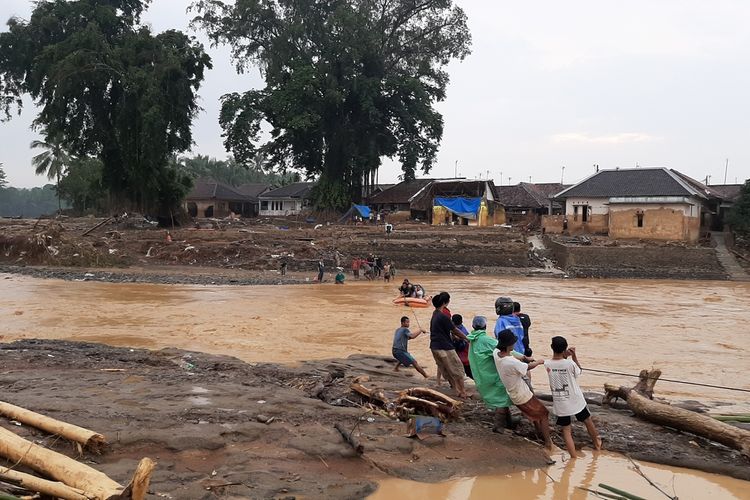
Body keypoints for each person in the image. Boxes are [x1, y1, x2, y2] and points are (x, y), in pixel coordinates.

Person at [494, 330, 552, 449]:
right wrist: (539, 362)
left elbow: (514, 355)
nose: (514, 344)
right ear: (509, 345)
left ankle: (540, 434)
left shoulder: (496, 353)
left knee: (536, 415)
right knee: (544, 414)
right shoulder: (511, 362)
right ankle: (548, 443)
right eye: (513, 342)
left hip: (514, 393)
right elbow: (527, 367)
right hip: (522, 395)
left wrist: (524, 357)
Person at [545, 336, 602, 457]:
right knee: (587, 420)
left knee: (566, 430)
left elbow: (558, 363)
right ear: (565, 348)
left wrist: (565, 356)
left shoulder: (547, 364)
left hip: (560, 401)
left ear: (551, 347)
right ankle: (597, 443)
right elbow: (579, 371)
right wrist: (574, 356)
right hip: (575, 400)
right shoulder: (570, 363)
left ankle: (573, 457)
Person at [467, 316, 514, 432]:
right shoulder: (486, 340)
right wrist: (524, 357)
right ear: (485, 326)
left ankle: (509, 421)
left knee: (502, 397)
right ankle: (498, 426)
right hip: (492, 375)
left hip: (481, 375)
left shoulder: (473, 339)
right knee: (501, 399)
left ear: (473, 326)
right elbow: (504, 348)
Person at [430, 292, 469, 398]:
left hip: (434, 346)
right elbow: (455, 330)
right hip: (445, 346)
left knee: (446, 370)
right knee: (458, 369)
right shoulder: (443, 316)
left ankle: (456, 390)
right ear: (444, 303)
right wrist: (466, 338)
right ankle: (463, 392)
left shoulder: (435, 314)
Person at [451, 314, 472, 379]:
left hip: (462, 356)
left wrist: (455, 339)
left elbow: (461, 346)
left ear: (453, 322)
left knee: (466, 372)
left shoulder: (457, 331)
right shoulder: (463, 329)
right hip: (466, 355)